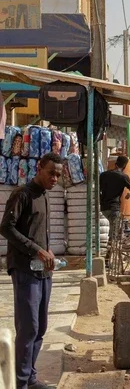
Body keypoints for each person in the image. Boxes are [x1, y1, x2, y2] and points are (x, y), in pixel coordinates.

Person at [0, 153, 63, 389]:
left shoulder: (45, 196)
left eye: (58, 175)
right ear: (39, 168)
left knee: (41, 327)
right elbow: (6, 228)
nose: (54, 178)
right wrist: (36, 250)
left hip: (42, 270)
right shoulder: (22, 195)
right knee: (28, 327)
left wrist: (47, 252)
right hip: (25, 269)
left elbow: (38, 231)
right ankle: (21, 382)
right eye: (51, 173)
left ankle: (31, 377)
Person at [99, 156, 130, 251]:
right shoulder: (124, 177)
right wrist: (128, 196)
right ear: (124, 165)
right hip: (114, 209)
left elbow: (98, 190)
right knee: (114, 235)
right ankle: (108, 258)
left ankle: (110, 256)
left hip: (104, 208)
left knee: (114, 231)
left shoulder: (103, 175)